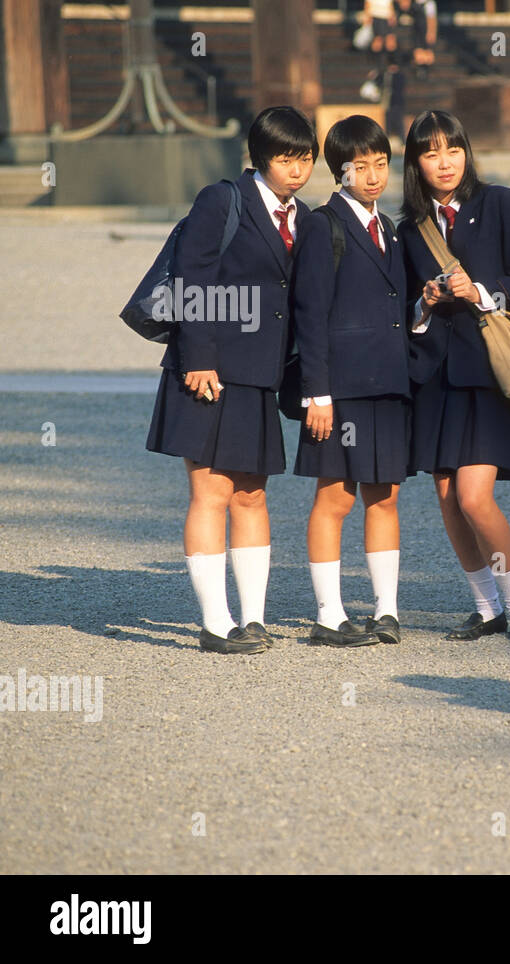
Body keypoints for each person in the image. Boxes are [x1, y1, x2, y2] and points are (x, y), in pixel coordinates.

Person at [146, 105, 318, 655]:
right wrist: (198, 358)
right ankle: (215, 623)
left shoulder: (304, 216)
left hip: (259, 377)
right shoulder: (222, 200)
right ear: (261, 157)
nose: (297, 170)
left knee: (252, 496)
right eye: (286, 159)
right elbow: (193, 278)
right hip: (208, 369)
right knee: (210, 492)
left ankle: (253, 619)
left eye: (306, 159)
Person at [397, 109, 510, 642]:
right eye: (431, 152)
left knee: (473, 496)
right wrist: (425, 301)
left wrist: (479, 292)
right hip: (435, 376)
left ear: (467, 152)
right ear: (416, 161)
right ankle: (486, 607)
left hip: (490, 372)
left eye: (453, 149)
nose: (445, 162)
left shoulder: (503, 203)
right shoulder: (409, 228)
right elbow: (403, 312)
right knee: (445, 496)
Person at [292, 115, 411, 648]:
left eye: (380, 164)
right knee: (335, 498)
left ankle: (386, 611)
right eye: (359, 166)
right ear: (339, 170)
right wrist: (317, 393)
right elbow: (309, 314)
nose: (372, 176)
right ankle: (329, 614)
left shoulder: (391, 228)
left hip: (386, 384)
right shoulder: (323, 224)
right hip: (338, 391)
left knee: (384, 497)